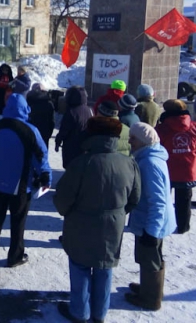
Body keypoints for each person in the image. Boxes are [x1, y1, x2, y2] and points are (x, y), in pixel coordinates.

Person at [54, 115, 141, 323]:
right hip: (113, 225)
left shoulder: (82, 163)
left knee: (80, 266)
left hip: (80, 224)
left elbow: (62, 198)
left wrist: (69, 212)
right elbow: (134, 198)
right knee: (104, 267)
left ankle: (79, 312)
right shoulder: (129, 163)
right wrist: (117, 213)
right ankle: (100, 313)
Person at [0, 93, 51, 267]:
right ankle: (15, 255)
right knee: (18, 221)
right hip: (21, 185)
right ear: (25, 109)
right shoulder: (30, 130)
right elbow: (40, 156)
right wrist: (45, 175)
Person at [125, 122, 176, 311]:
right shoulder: (149, 156)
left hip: (152, 221)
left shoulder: (149, 163)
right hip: (151, 219)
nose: (130, 141)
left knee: (150, 258)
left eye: (133, 138)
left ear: (144, 141)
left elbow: (158, 201)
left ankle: (151, 299)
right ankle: (150, 288)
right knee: (150, 257)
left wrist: (151, 231)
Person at [155, 99, 196, 234]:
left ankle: (162, 224)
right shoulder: (194, 127)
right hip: (188, 170)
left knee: (163, 199)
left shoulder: (162, 129)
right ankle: (183, 226)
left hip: (167, 168)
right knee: (184, 201)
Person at [55, 86, 93, 169]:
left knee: (71, 169)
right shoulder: (89, 110)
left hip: (71, 147)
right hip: (85, 145)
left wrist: (58, 141)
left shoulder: (71, 112)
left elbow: (64, 131)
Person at [26, 83, 55, 148]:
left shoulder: (28, 102)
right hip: (44, 134)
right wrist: (48, 134)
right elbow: (52, 122)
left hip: (30, 133)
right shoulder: (49, 103)